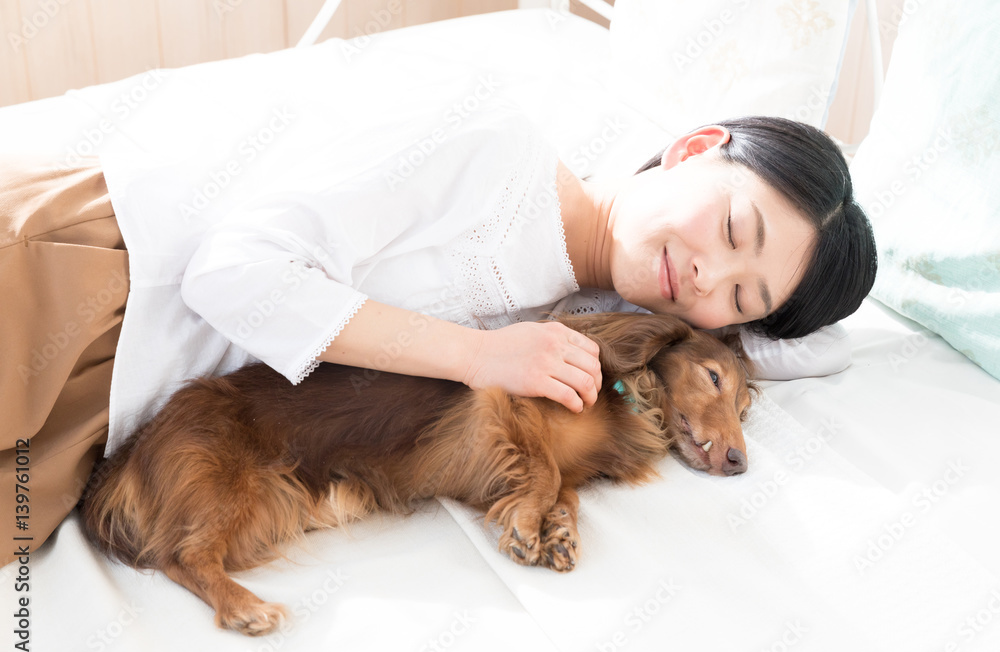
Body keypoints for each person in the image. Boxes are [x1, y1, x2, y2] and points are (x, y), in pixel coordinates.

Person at [0, 111, 876, 567]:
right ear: (692, 147)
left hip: (113, 420)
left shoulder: (603, 315)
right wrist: (478, 356)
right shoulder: (494, 154)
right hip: (88, 279)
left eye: (743, 297)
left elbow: (828, 350)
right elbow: (229, 273)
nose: (707, 277)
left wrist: (767, 316)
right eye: (732, 227)